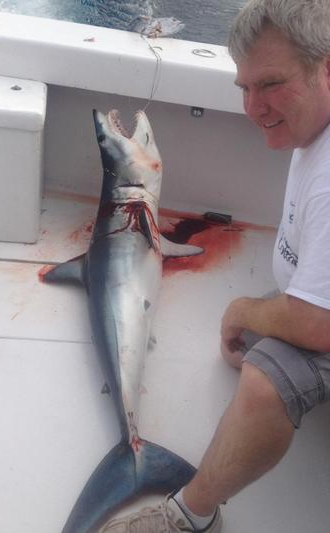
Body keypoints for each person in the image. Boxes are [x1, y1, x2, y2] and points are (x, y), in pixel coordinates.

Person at [99, 0, 330, 531]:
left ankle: (189, 515)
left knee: (263, 380)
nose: (253, 107)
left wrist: (243, 311)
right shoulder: (311, 122)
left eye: (270, 84)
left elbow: (318, 324)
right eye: (243, 88)